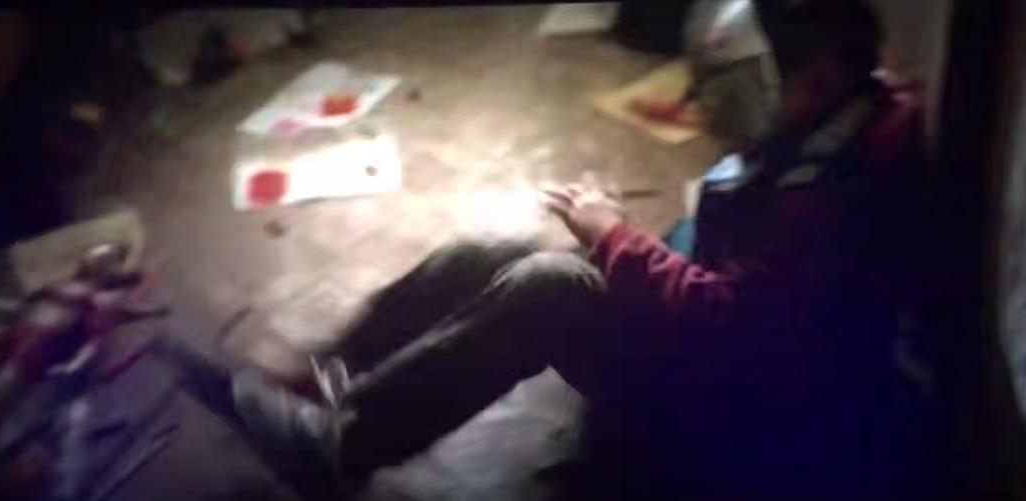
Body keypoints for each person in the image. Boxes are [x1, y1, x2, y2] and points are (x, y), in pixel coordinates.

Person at [158, 0, 945, 498]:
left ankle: (337, 449)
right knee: (487, 251)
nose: (717, 102)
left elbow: (733, 319)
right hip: (718, 347)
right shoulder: (844, 114)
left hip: (733, 418)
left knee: (552, 287)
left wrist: (614, 238)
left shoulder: (844, 197)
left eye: (759, 84)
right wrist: (625, 239)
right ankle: (332, 371)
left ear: (824, 78)